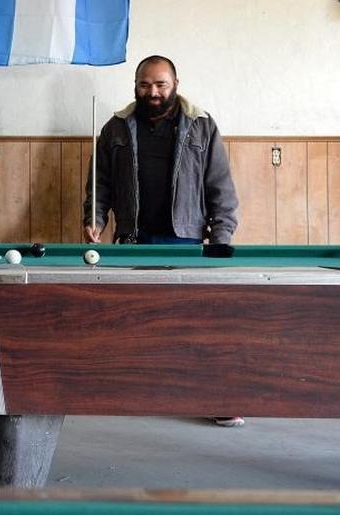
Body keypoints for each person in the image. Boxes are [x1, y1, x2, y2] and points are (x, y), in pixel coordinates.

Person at [83, 55, 242, 428]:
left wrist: (220, 242)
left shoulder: (202, 126)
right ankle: (134, 394)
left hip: (186, 242)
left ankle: (218, 397)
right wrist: (94, 220)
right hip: (133, 240)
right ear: (135, 86)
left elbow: (221, 191)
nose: (152, 92)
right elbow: (99, 185)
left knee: (200, 324)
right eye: (145, 85)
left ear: (175, 84)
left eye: (160, 84)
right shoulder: (115, 128)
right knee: (133, 323)